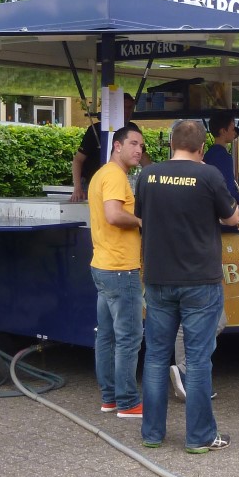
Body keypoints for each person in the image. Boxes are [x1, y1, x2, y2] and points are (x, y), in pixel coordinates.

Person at [135, 119, 239, 453]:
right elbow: (232, 218)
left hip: (158, 277)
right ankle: (199, 437)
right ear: (201, 147)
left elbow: (141, 215)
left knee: (155, 358)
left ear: (171, 144)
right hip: (200, 280)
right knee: (197, 360)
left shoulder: (148, 175)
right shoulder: (209, 175)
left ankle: (152, 434)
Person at [87, 126, 145, 418]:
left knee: (107, 336)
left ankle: (110, 398)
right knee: (129, 337)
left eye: (141, 146)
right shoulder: (115, 176)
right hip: (121, 268)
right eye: (133, 143)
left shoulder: (101, 174)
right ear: (117, 146)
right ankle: (128, 402)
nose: (138, 150)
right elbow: (113, 214)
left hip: (103, 265)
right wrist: (142, 221)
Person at [71, 92, 137, 201]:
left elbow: (144, 158)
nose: (127, 111)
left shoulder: (132, 129)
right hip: (90, 182)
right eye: (123, 107)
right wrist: (77, 188)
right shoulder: (95, 130)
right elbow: (78, 160)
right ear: (115, 109)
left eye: (130, 108)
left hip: (115, 182)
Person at [203, 112, 239, 203]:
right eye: (232, 129)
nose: (234, 132)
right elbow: (228, 188)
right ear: (223, 131)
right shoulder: (224, 157)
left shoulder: (208, 154)